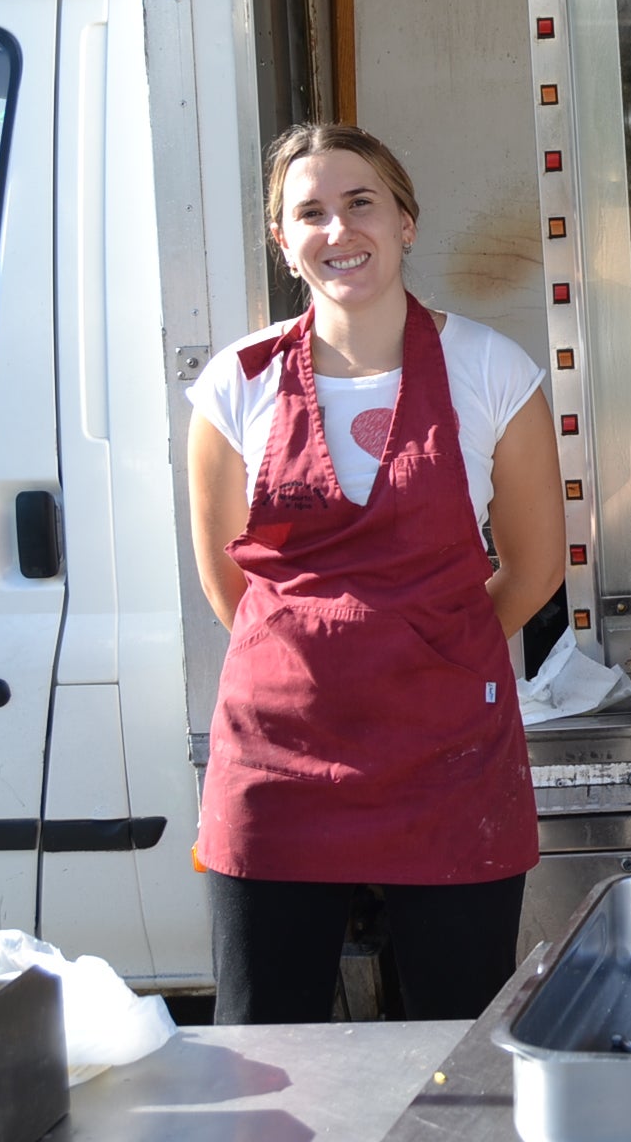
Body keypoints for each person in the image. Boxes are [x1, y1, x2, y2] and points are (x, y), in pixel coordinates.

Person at [185, 124, 565, 1022]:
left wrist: (427, 648)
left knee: (458, 1031)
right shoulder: (234, 384)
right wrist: (319, 660)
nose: (337, 229)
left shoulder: (488, 369)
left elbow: (536, 565)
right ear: (284, 243)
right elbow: (226, 586)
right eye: (309, 212)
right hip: (276, 761)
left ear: (405, 222)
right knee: (265, 1040)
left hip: (446, 759)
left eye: (360, 203)